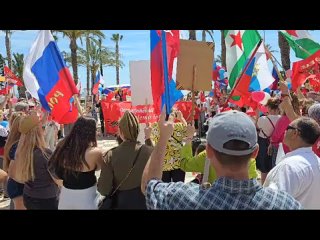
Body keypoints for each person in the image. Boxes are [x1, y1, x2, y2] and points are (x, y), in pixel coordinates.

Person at [141, 109, 301, 209]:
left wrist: (162, 140)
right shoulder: (285, 204)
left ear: (208, 151)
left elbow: (149, 186)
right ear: (255, 152)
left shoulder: (182, 198)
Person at [98, 111, 153, 209]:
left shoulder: (110, 155)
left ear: (121, 132)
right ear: (137, 130)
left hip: (121, 204)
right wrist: (148, 139)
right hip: (144, 203)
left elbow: (104, 189)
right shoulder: (149, 151)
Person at [264, 117, 320, 209]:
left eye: (287, 128)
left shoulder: (289, 167)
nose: (285, 131)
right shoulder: (316, 161)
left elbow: (274, 204)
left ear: (295, 133)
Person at [49, 117, 103, 209]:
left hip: (66, 195)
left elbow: (51, 167)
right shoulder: (95, 152)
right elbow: (99, 168)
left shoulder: (62, 145)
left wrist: (60, 183)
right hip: (87, 197)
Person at [180, 124, 258, 183]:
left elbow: (185, 164)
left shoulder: (208, 156)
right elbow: (253, 180)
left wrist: (189, 138)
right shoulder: (250, 159)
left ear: (208, 148)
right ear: (255, 152)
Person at [12, 115, 60, 209]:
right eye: (42, 127)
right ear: (38, 131)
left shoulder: (20, 152)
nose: (44, 129)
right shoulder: (45, 153)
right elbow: (57, 179)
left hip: (28, 196)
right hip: (47, 199)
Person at [150, 110, 187, 183]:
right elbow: (188, 131)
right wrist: (181, 118)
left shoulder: (156, 127)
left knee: (164, 189)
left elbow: (150, 137)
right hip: (178, 163)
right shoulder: (178, 126)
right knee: (178, 188)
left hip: (163, 164)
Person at [255, 98, 281, 184]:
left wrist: (257, 115)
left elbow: (257, 126)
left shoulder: (263, 119)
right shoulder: (281, 119)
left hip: (263, 143)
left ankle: (264, 185)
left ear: (269, 108)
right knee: (274, 166)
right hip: (277, 144)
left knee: (264, 167)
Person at [3, 115, 25, 209]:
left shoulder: (13, 142)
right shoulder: (17, 145)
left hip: (14, 183)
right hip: (18, 183)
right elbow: (13, 169)